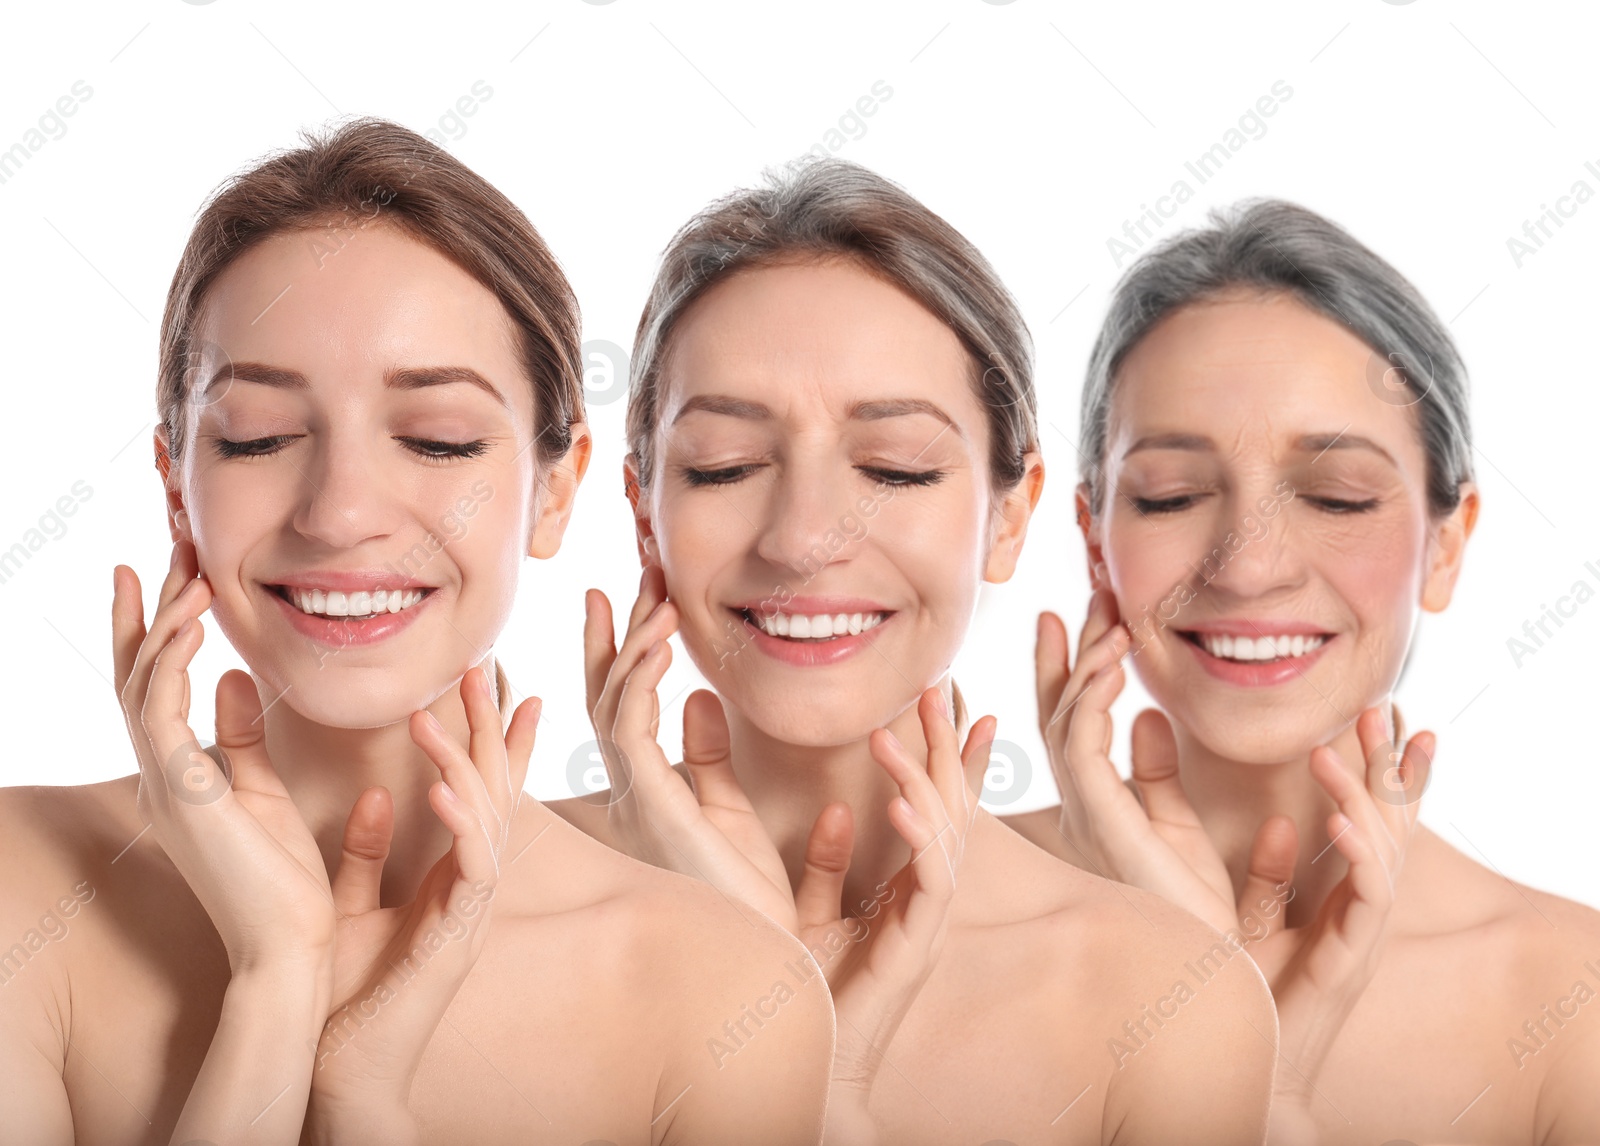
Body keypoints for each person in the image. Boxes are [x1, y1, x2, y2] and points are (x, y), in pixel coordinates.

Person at [0, 118, 833, 1145]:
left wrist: (361, 1102)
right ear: (177, 487)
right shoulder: (18, 884)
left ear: (554, 493)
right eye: (259, 436)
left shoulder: (726, 993)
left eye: (436, 440)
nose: (341, 513)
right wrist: (275, 985)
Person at [549, 158, 1279, 1144]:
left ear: (1008, 516)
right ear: (645, 518)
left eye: (893, 468)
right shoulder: (463, 919)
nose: (804, 537)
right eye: (724, 465)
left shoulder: (1167, 1005)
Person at [1002, 199, 1600, 1144]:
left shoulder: (1575, 1006)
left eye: (1335, 495)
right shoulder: (919, 917)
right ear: (1093, 539)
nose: (1248, 566)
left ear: (1446, 547)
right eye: (1173, 496)